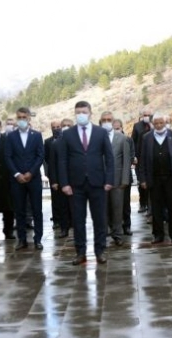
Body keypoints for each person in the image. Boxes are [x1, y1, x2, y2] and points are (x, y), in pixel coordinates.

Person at [57, 101, 114, 265]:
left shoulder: (100, 132)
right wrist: (64, 183)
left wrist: (109, 180)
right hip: (75, 185)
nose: (81, 115)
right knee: (78, 220)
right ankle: (80, 252)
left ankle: (100, 251)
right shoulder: (67, 134)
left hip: (98, 183)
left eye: (84, 112)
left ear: (90, 113)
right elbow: (62, 160)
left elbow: (109, 158)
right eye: (78, 112)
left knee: (100, 219)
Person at [138, 113, 172, 244]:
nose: (159, 125)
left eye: (161, 123)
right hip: (154, 179)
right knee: (156, 208)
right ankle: (158, 234)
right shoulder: (147, 138)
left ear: (165, 123)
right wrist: (142, 179)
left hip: (171, 178)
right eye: (156, 123)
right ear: (152, 124)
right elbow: (142, 160)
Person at [4, 107, 45, 250]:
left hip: (33, 178)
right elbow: (8, 157)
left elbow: (40, 155)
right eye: (19, 117)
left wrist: (31, 172)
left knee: (37, 209)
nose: (21, 120)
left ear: (29, 118)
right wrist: (17, 174)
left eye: (24, 117)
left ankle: (38, 239)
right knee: (19, 210)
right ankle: (22, 240)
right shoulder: (10, 136)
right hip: (17, 180)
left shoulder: (37, 135)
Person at [100, 111, 131, 246]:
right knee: (102, 209)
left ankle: (117, 234)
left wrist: (125, 180)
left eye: (109, 120)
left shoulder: (122, 138)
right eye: (104, 120)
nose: (107, 122)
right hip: (101, 180)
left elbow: (126, 160)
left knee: (117, 208)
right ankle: (104, 232)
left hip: (117, 180)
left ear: (113, 122)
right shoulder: (96, 137)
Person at [115, 118, 135, 236]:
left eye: (118, 128)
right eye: (114, 128)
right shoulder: (108, 139)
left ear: (122, 128)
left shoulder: (128, 140)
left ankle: (126, 226)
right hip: (112, 177)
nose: (116, 130)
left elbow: (131, 156)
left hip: (125, 176)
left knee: (125, 204)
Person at [132, 108, 153, 214]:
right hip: (140, 160)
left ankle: (150, 206)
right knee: (141, 183)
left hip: (152, 160)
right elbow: (133, 142)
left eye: (149, 115)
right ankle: (142, 203)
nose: (147, 117)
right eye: (145, 115)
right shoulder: (137, 126)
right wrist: (134, 157)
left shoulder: (154, 125)